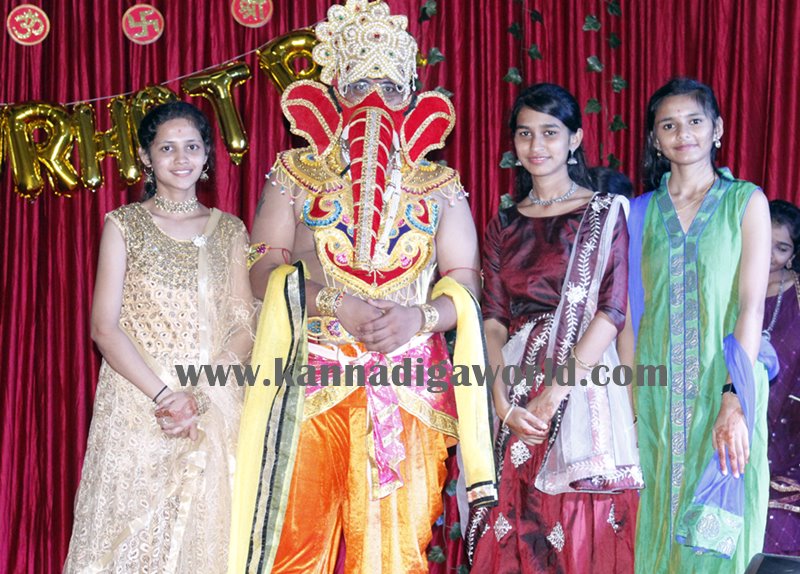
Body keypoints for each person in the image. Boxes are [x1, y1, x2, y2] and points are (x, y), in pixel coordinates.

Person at [227, 1, 496, 573]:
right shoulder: (295, 173)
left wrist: (419, 318)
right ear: (332, 92)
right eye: (358, 85)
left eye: (391, 88)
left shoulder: (440, 184)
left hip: (408, 382)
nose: (374, 100)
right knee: (295, 551)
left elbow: (465, 283)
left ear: (414, 97)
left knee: (396, 555)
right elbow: (260, 272)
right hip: (310, 375)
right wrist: (333, 302)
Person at [64, 102, 255, 573]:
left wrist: (199, 395)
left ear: (206, 155)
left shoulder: (230, 230)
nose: (181, 158)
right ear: (146, 157)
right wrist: (168, 397)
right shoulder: (124, 225)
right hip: (138, 406)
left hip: (210, 403)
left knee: (205, 538)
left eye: (192, 146)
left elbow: (243, 325)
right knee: (129, 539)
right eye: (167, 148)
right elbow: (104, 327)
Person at [468, 83, 642, 573]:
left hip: (584, 381)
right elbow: (493, 318)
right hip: (517, 380)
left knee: (578, 525)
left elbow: (612, 311)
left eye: (550, 132)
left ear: (575, 139)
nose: (536, 145)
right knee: (514, 521)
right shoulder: (504, 223)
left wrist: (554, 393)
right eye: (525, 133)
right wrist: (501, 399)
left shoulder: (604, 211)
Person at [628, 77, 771, 573]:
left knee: (718, 539)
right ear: (655, 139)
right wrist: (630, 406)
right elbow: (629, 315)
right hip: (655, 393)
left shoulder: (745, 202)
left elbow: (751, 307)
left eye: (694, 121)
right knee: (655, 523)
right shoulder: (638, 214)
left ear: (717, 129)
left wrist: (734, 396)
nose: (682, 133)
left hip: (725, 383)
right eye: (668, 125)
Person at [762, 199, 800, 555]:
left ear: (792, 256)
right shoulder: (727, 286)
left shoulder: (798, 293)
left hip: (789, 431)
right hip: (731, 419)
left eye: (782, 247)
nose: (770, 254)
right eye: (763, 239)